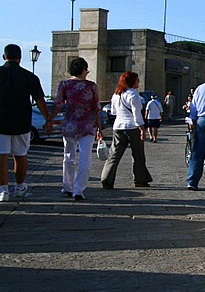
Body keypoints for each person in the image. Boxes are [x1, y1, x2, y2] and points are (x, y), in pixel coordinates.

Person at [0, 44, 51, 201]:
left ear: (4, 57)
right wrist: (48, 119)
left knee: (1, 156)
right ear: (20, 58)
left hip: (1, 121)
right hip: (22, 122)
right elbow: (40, 100)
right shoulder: (29, 77)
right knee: (20, 155)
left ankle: (3, 191)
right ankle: (20, 186)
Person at [52, 57, 103, 201]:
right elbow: (96, 109)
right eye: (87, 70)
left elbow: (58, 105)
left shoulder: (64, 84)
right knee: (85, 158)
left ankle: (67, 186)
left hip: (69, 124)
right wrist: (100, 129)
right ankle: (78, 189)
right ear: (83, 70)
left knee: (68, 156)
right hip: (88, 125)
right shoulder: (91, 86)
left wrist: (50, 119)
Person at [100, 72, 152, 189]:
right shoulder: (133, 94)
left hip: (118, 126)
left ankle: (106, 179)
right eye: (137, 80)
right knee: (138, 155)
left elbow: (113, 111)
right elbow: (137, 114)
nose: (138, 82)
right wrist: (142, 129)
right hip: (132, 127)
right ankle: (140, 179)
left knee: (114, 154)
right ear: (132, 81)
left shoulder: (116, 94)